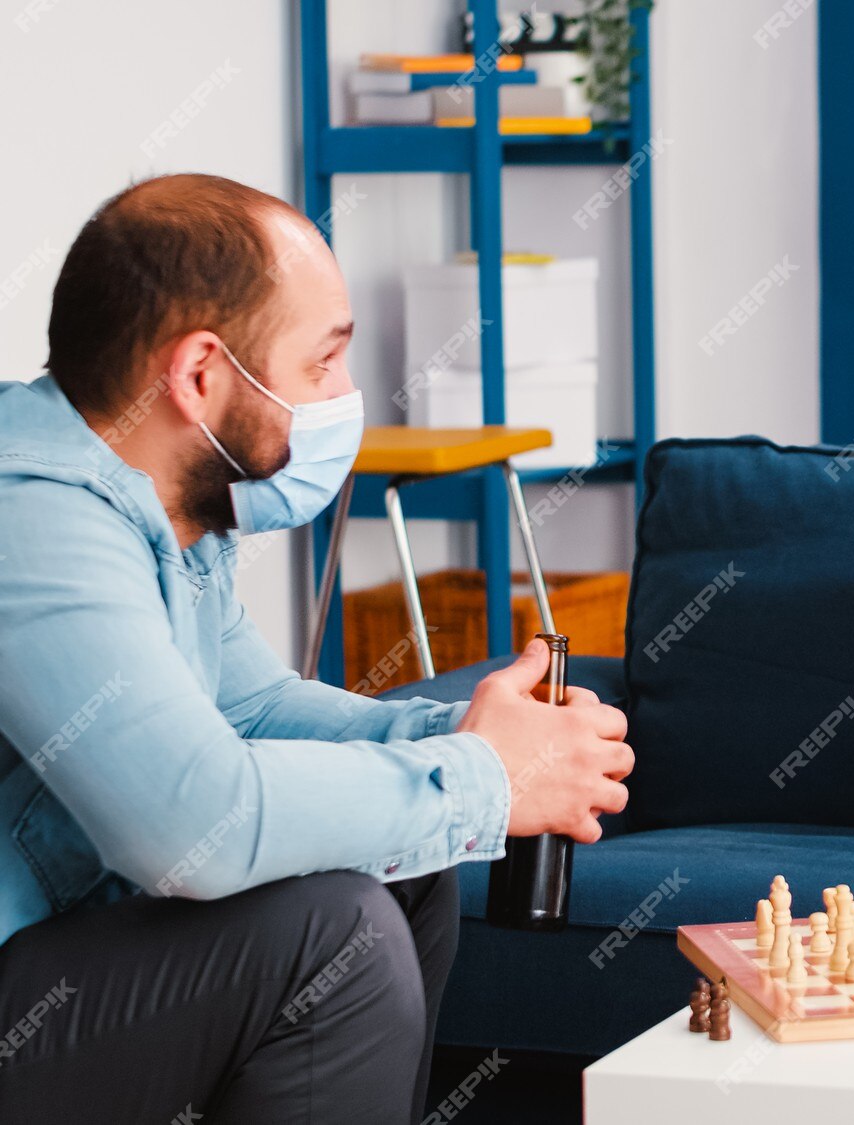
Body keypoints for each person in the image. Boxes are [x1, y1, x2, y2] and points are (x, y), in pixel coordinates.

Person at [0, 174, 633, 1123]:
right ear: (201, 374)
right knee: (333, 932)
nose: (345, 397)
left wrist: (469, 732)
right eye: (322, 365)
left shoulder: (167, 502)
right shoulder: (35, 516)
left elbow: (251, 708)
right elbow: (192, 826)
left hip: (52, 956)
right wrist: (479, 776)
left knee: (399, 859)